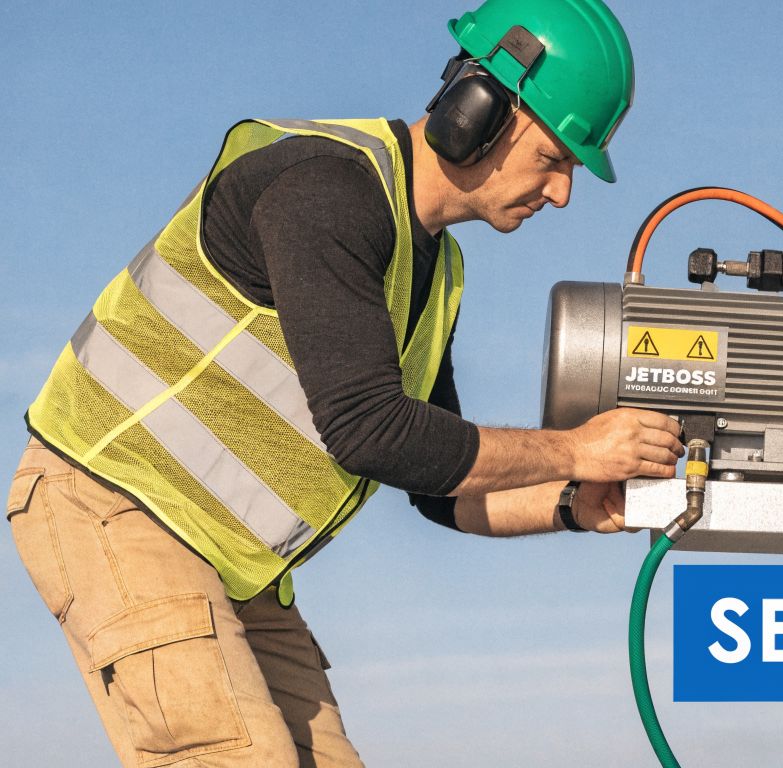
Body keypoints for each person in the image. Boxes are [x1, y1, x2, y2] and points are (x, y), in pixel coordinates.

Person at [5, 1, 679, 765]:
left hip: (234, 564)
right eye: (555, 158)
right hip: (115, 505)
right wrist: (575, 449)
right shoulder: (328, 190)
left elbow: (438, 487)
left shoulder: (433, 269)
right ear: (479, 110)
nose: (560, 193)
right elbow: (369, 430)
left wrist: (570, 503)